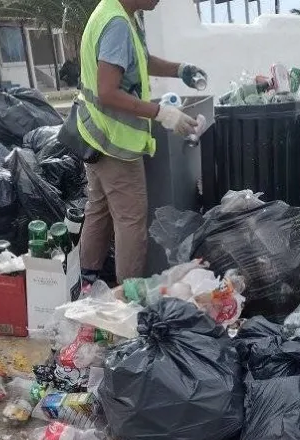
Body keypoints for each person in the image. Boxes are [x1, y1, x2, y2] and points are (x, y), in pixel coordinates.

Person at [73, 0, 206, 283]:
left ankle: (86, 285)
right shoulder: (117, 25)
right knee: (130, 222)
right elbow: (107, 91)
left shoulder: (116, 12)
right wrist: (162, 113)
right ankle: (128, 302)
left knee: (99, 209)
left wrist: (180, 69)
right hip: (115, 145)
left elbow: (139, 60)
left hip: (95, 134)